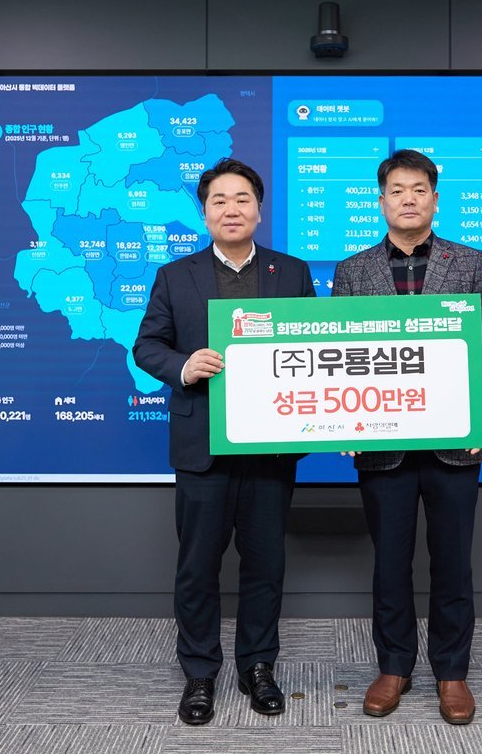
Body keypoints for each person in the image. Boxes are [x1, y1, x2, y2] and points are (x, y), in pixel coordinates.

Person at [133, 157, 316, 725]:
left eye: (242, 199)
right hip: (203, 446)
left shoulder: (292, 273)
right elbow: (147, 346)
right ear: (204, 212)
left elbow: (315, 349)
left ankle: (258, 666)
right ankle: (199, 672)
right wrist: (184, 366)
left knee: (265, 565)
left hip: (270, 446)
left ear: (259, 210)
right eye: (219, 200)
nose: (231, 209)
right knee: (197, 567)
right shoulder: (175, 275)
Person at [331, 149, 482, 725]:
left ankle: (452, 672)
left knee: (453, 561)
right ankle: (395, 666)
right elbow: (339, 352)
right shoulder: (353, 271)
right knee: (390, 562)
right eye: (397, 190)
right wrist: (343, 420)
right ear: (381, 201)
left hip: (455, 439)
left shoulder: (469, 262)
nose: (408, 199)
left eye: (419, 189)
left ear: (435, 198)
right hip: (381, 445)